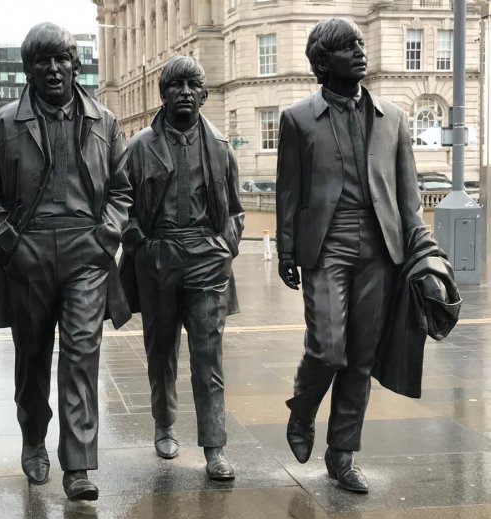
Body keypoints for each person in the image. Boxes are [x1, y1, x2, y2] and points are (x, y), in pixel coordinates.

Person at [0, 22, 132, 501]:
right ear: (28, 70)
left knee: (82, 356)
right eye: (42, 61)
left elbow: (122, 190)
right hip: (29, 250)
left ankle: (79, 465)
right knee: (32, 358)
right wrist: (8, 243)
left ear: (75, 64)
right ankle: (32, 439)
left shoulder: (104, 120)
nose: (53, 68)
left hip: (87, 252)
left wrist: (106, 237)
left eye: (61, 58)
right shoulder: (2, 125)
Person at [276, 18, 427, 493]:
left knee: (360, 358)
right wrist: (285, 248)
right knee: (327, 347)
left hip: (381, 248)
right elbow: (288, 191)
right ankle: (302, 410)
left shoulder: (393, 118)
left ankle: (342, 455)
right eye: (347, 47)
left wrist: (423, 251)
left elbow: (409, 196)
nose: (361, 52)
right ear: (323, 61)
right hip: (326, 244)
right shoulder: (298, 118)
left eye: (361, 44)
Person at [119, 56, 244, 481]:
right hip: (159, 256)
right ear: (164, 94)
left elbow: (236, 211)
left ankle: (215, 446)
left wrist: (225, 246)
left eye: (193, 85)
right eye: (176, 85)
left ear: (205, 95)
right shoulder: (138, 148)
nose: (185, 92)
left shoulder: (221, 147)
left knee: (208, 355)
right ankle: (164, 424)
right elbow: (122, 204)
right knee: (161, 350)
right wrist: (139, 242)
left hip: (207, 257)